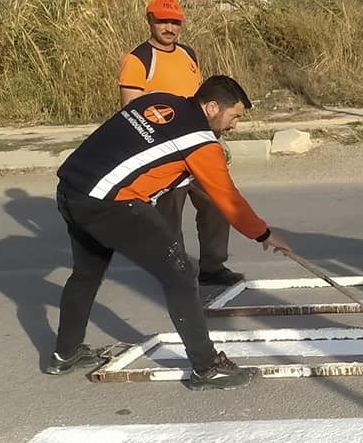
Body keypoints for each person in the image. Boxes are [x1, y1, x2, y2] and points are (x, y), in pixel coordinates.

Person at [47, 75, 293, 390]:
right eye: (235, 116)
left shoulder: (157, 101)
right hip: (110, 205)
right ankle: (207, 367)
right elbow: (228, 199)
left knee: (85, 274)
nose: (235, 126)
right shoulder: (201, 141)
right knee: (180, 274)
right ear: (213, 107)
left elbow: (147, 157)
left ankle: (65, 354)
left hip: (72, 190)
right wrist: (263, 234)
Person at [119, 0, 242, 288]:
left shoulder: (188, 54)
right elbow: (131, 113)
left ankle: (213, 266)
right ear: (149, 20)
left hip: (195, 148)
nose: (169, 27)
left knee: (217, 203)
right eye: (163, 21)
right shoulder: (138, 60)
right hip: (163, 155)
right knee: (168, 219)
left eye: (175, 22)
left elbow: (199, 103)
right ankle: (175, 275)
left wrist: (215, 139)